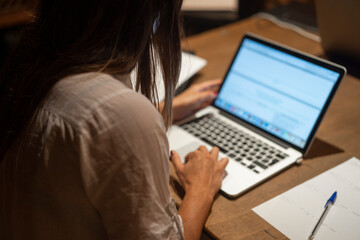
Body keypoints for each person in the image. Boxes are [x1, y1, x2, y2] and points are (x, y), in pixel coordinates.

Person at [0, 0, 228, 239]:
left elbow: (82, 123)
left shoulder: (26, 68)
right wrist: (201, 189)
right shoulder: (120, 113)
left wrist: (160, 109)